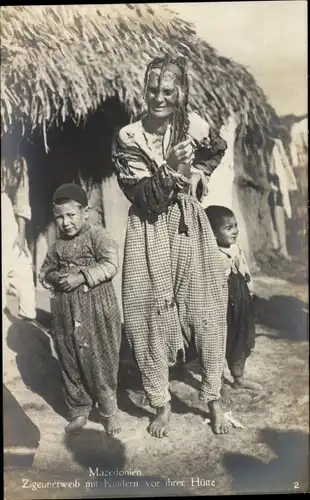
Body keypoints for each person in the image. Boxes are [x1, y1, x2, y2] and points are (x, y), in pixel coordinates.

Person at [113, 55, 230, 437]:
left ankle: (214, 400)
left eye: (167, 91)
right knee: (147, 315)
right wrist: (167, 164)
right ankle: (161, 404)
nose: (158, 98)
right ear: (143, 90)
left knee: (206, 312)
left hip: (188, 227)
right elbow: (144, 195)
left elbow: (216, 147)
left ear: (180, 92)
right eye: (152, 90)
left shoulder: (192, 125)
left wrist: (197, 173)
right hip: (147, 230)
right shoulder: (128, 137)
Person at [39, 183, 122, 435]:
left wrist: (82, 276)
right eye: (59, 217)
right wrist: (55, 278)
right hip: (65, 311)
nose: (65, 222)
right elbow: (44, 272)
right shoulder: (57, 246)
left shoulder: (97, 235)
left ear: (85, 212)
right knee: (69, 357)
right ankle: (78, 409)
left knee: (100, 358)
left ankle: (108, 412)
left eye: (70, 215)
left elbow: (110, 264)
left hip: (96, 308)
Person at [205, 205, 262, 397]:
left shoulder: (236, 249)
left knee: (242, 339)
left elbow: (245, 272)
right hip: (223, 308)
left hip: (242, 303)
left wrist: (251, 292)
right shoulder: (211, 254)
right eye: (228, 228)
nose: (235, 231)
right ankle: (218, 385)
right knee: (221, 343)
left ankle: (238, 378)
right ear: (212, 233)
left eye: (235, 226)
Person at [1, 156, 36, 320]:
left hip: (6, 215)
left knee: (21, 267)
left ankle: (27, 316)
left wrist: (21, 234)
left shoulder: (15, 159)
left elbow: (21, 197)